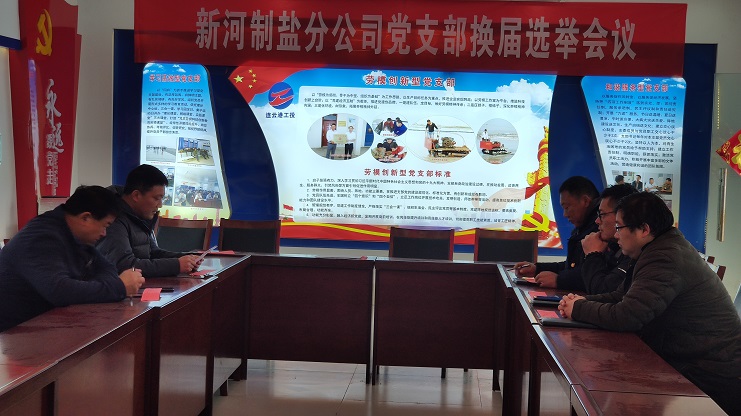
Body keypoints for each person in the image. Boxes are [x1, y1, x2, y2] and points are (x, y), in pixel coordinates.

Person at [558, 192, 741, 415]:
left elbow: (628, 316)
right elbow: (621, 296)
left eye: (619, 227)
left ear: (644, 229)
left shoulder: (666, 257)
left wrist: (578, 308)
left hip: (709, 373)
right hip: (689, 361)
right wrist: (580, 301)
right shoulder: (657, 249)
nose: (616, 235)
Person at [0, 185, 144, 332]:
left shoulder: (74, 234)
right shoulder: (42, 238)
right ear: (85, 218)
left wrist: (113, 285)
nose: (104, 233)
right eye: (104, 225)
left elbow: (107, 268)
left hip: (48, 326)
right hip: (14, 334)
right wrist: (119, 287)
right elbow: (59, 291)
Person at [97, 164, 202, 277]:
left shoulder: (139, 215)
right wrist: (176, 265)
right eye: (156, 198)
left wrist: (186, 258)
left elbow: (152, 253)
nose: (160, 205)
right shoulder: (114, 219)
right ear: (136, 195)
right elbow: (125, 265)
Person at [515, 176, 599, 291]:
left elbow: (598, 275)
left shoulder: (599, 229)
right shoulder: (584, 227)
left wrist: (560, 280)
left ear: (585, 201)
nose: (565, 214)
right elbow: (572, 266)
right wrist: (537, 269)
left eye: (567, 207)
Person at [579, 184, 638, 294]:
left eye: (602, 214)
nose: (597, 221)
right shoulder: (613, 246)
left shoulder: (636, 252)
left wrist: (593, 255)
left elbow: (604, 291)